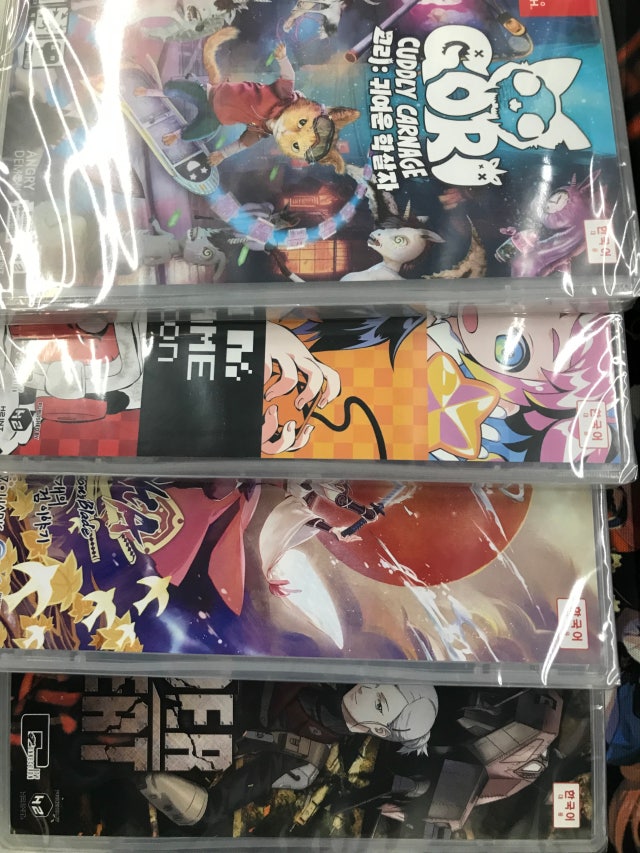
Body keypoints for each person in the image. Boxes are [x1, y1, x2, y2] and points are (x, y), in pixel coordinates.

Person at [138, 681, 438, 829]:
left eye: (380, 704)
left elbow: (214, 805)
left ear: (380, 730)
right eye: (378, 683)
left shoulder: (307, 755)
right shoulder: (324, 663)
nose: (368, 690)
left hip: (178, 722)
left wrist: (154, 781)